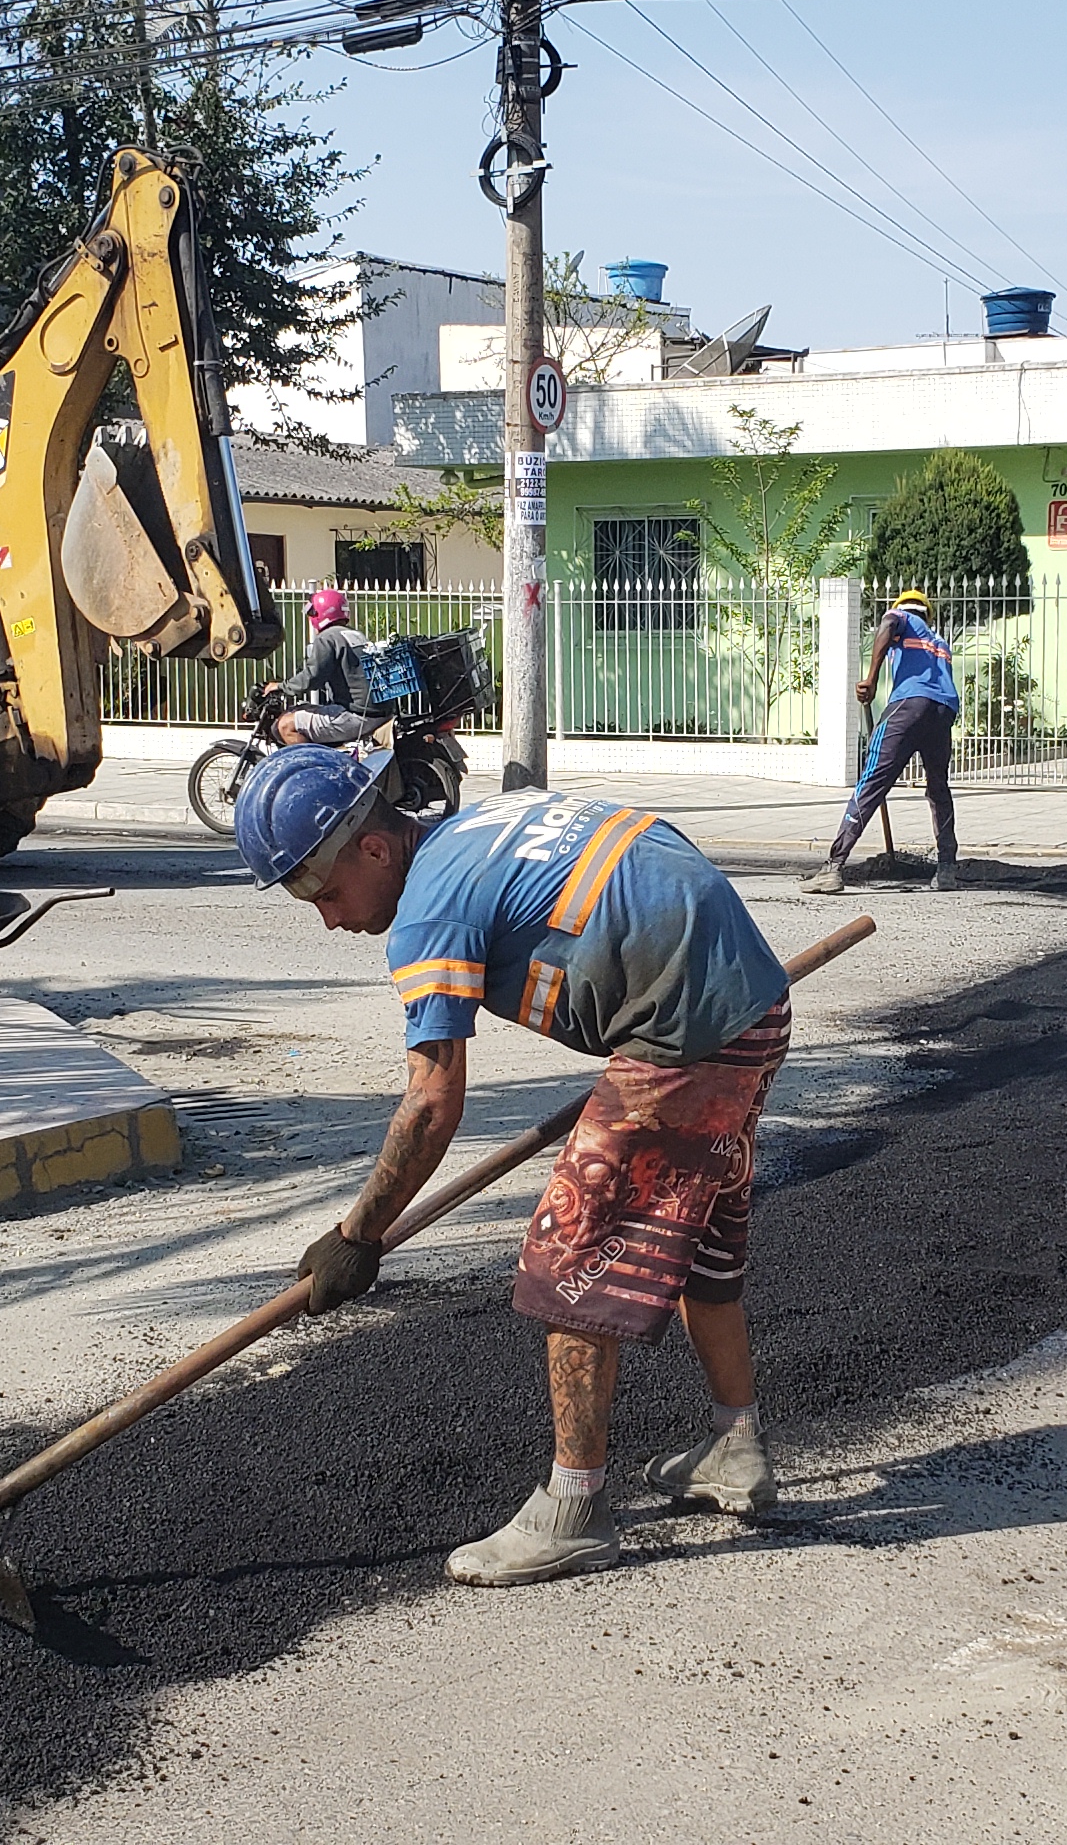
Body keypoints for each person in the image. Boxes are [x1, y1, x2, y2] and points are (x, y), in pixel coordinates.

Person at [234, 743, 794, 1587]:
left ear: (375, 849)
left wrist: (358, 1236)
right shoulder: (479, 825)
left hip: (684, 1034)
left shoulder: (425, 911)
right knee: (703, 1240)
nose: (329, 919)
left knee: (570, 1256)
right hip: (752, 1005)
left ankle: (574, 1510)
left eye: (324, 892)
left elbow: (431, 1103)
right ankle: (735, 1446)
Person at [804, 589, 960, 895]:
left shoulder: (901, 618)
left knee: (872, 781)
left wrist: (872, 678)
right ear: (928, 614)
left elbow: (887, 625)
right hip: (944, 711)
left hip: (909, 706)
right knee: (938, 788)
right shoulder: (940, 643)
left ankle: (834, 867)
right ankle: (947, 870)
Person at [274, 587, 379, 747]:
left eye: (313, 613)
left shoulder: (327, 638)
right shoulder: (355, 635)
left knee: (286, 724)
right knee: (305, 709)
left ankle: (309, 771)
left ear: (322, 613)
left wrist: (281, 687)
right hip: (374, 713)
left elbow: (312, 677)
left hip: (355, 717)